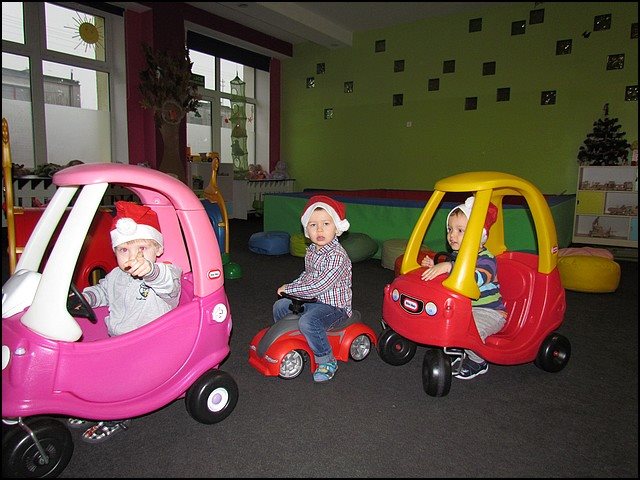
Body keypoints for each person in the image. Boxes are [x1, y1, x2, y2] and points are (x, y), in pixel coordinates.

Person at [68, 201, 182, 443]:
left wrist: (150, 271)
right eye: (124, 250)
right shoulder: (117, 275)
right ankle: (92, 406)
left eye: (142, 248)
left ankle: (116, 416)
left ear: (158, 249)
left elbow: (168, 287)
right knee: (89, 365)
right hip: (119, 341)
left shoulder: (165, 273)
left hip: (150, 348)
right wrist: (87, 297)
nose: (133, 257)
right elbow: (103, 291)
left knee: (116, 377)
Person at [420, 196, 506, 380]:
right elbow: (450, 278)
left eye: (460, 230)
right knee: (445, 320)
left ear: (479, 235)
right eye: (450, 229)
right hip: (467, 309)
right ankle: (458, 350)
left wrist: (448, 267)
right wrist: (435, 267)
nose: (452, 235)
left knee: (470, 331)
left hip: (490, 312)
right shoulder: (457, 256)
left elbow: (474, 279)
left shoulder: (486, 259)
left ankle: (478, 361)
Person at [273, 195, 352, 383]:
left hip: (334, 308)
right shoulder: (312, 251)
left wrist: (291, 288)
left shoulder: (337, 256)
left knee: (309, 321)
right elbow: (307, 276)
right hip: (314, 301)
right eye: (313, 225)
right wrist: (292, 289)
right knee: (280, 306)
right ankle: (290, 339)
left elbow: (319, 285)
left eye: (326, 224)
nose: (319, 229)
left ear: (337, 228)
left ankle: (326, 360)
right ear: (307, 230)